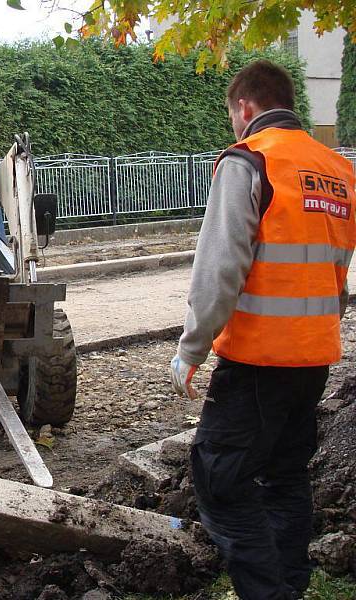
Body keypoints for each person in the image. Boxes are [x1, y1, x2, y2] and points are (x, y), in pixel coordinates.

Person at [170, 60, 356, 600]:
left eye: (232, 115)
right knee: (284, 475)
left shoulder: (249, 160)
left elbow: (220, 267)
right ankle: (290, 586)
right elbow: (334, 269)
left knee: (219, 480)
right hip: (314, 355)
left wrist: (191, 348)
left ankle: (266, 593)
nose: (233, 125)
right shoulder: (337, 169)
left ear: (245, 108)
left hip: (257, 359)